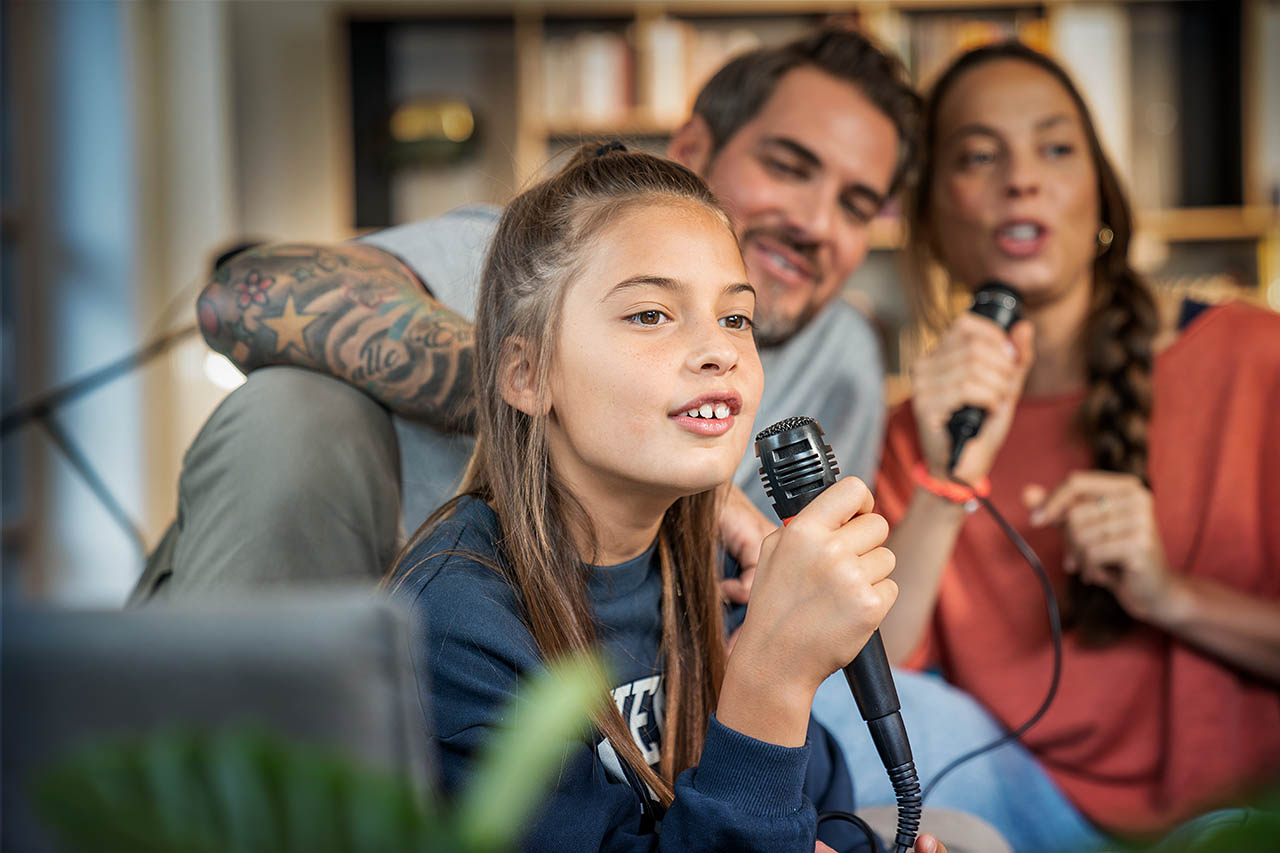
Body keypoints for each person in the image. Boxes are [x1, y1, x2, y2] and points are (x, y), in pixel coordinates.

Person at [130, 27, 918, 600]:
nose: (817, 222)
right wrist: (579, 397)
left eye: (856, 204)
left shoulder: (840, 350)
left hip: (582, 694)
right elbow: (245, 298)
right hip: (357, 617)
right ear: (695, 147)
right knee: (292, 409)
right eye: (788, 167)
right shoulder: (519, 262)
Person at [385, 141, 947, 853]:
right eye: (651, 314)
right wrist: (770, 675)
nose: (719, 349)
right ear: (527, 374)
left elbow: (809, 806)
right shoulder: (457, 625)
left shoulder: (710, 573)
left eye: (735, 317)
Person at [817, 40, 1280, 850]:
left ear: (1101, 195)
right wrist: (947, 480)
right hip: (1024, 813)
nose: (1020, 179)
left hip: (1227, 816)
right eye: (978, 155)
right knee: (824, 700)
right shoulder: (913, 428)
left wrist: (1171, 595)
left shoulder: (1255, 359)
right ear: (932, 221)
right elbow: (875, 691)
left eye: (1055, 148)